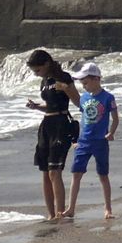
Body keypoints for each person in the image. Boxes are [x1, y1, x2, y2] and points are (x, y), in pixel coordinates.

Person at [25, 49, 77, 221]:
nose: (36, 74)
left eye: (38, 70)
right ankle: (51, 214)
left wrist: (66, 88)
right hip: (46, 125)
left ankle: (60, 213)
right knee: (45, 172)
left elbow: (77, 101)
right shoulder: (44, 81)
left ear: (47, 64)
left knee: (55, 171)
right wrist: (36, 107)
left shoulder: (64, 77)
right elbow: (50, 106)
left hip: (61, 125)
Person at [67, 61, 118, 219]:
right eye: (82, 83)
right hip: (84, 141)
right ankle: (71, 208)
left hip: (100, 141)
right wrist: (75, 140)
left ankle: (108, 208)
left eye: (86, 83)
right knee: (76, 174)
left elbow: (115, 119)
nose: (84, 86)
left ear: (96, 79)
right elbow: (83, 118)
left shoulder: (108, 97)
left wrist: (111, 132)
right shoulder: (83, 98)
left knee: (103, 175)